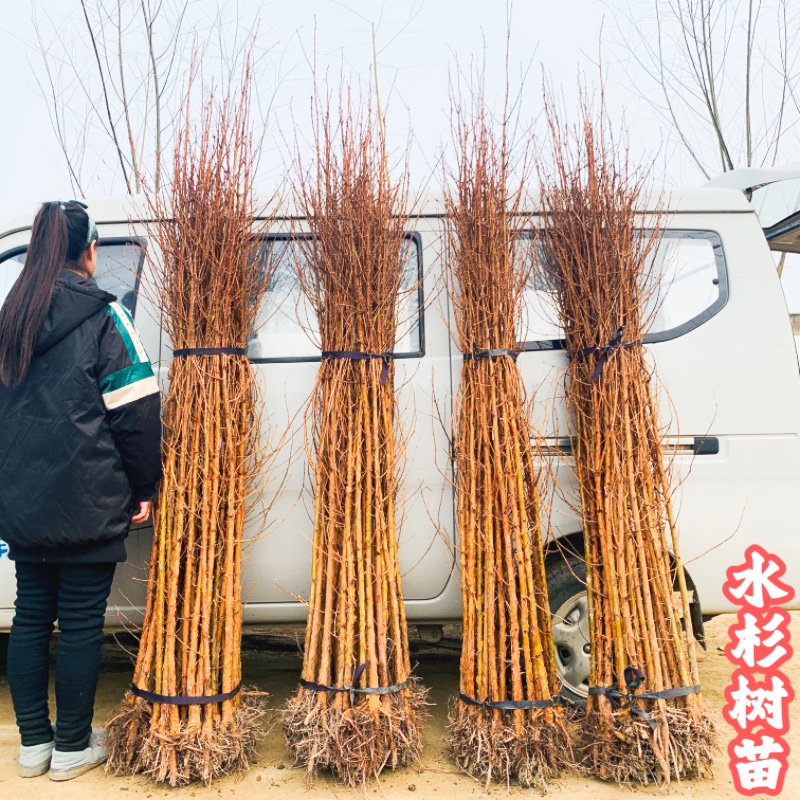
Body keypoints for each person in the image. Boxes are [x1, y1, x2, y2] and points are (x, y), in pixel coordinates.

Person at [0, 201, 162, 781]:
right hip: (89, 499)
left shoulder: (8, 321)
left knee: (31, 619)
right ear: (87, 251)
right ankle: (72, 748)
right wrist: (145, 485)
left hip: (22, 503)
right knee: (80, 625)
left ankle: (33, 749)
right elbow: (135, 407)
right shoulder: (103, 316)